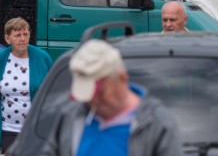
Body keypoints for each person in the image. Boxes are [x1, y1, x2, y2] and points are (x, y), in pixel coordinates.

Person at [40, 39, 183, 156]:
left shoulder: (156, 123)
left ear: (122, 78)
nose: (91, 100)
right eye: (87, 93)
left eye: (100, 93)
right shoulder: (71, 114)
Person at [0, 18, 52, 153]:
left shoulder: (42, 57)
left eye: (26, 34)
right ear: (7, 38)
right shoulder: (1, 58)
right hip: (8, 128)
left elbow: (53, 91)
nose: (23, 39)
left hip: (35, 128)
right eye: (17, 35)